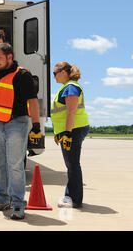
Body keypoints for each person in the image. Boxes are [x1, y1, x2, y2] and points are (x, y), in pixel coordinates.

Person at [0, 43, 41, 220]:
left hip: (16, 124)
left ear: (10, 57)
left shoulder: (22, 75)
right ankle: (2, 200)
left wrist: (37, 125)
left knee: (15, 166)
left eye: (0, 58)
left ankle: (17, 205)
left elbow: (32, 100)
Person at [52, 62, 89, 209]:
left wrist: (67, 133)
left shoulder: (71, 87)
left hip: (73, 130)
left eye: (55, 73)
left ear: (64, 72)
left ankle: (74, 199)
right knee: (71, 164)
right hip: (70, 130)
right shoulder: (67, 87)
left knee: (73, 164)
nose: (54, 77)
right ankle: (70, 196)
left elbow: (71, 112)